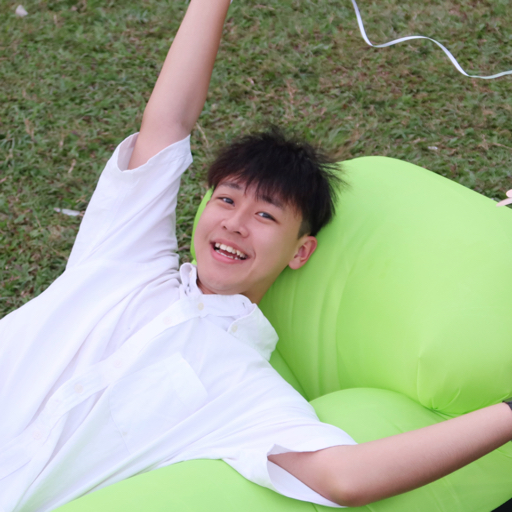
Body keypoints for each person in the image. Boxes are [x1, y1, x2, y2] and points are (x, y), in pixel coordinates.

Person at [1, 0, 511, 511]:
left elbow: (342, 478)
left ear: (301, 252)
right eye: (226, 199)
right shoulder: (125, 254)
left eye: (266, 215)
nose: (235, 222)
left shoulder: (244, 385)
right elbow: (169, 120)